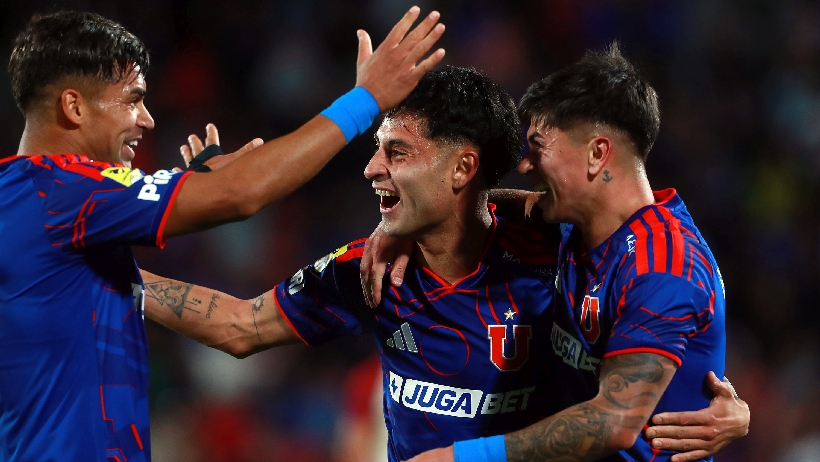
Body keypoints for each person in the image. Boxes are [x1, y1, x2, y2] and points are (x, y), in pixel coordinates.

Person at [142, 67, 746, 462]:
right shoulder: (373, 268)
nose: (371, 168)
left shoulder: (562, 247)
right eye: (378, 149)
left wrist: (723, 407)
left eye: (397, 151)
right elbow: (242, 325)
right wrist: (115, 277)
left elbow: (619, 413)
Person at [0, 8, 444, 461]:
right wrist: (366, 99)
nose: (146, 119)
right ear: (74, 107)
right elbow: (242, 195)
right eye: (132, 101)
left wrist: (193, 188)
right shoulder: (59, 191)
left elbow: (234, 326)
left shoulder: (36, 206)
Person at [406, 44, 734, 462]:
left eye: (537, 147)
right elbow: (496, 205)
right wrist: (404, 228)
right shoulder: (573, 226)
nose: (525, 165)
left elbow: (614, 423)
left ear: (597, 154)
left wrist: (461, 458)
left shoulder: (663, 268)